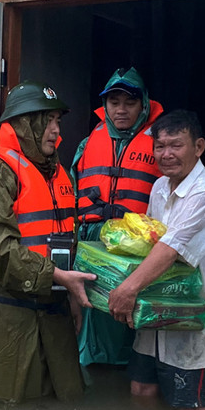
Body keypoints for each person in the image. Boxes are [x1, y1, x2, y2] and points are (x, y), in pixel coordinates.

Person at [0, 81, 96, 403]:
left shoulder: (55, 172)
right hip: (4, 318)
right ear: (23, 124)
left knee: (59, 406)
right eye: (48, 121)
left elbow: (64, 238)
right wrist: (60, 279)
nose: (56, 130)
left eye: (58, 121)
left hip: (53, 309)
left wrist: (70, 296)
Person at [107, 110, 205, 410]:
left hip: (196, 313)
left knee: (191, 406)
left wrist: (126, 289)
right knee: (141, 388)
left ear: (199, 147)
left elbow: (170, 248)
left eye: (176, 145)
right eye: (160, 147)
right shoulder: (160, 188)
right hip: (158, 306)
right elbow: (149, 240)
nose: (166, 155)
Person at [72, 67, 164, 367]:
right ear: (105, 106)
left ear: (144, 105)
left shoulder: (161, 146)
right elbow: (69, 192)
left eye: (130, 102)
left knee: (123, 317)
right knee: (86, 314)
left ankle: (118, 380)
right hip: (89, 241)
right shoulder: (89, 143)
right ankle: (90, 380)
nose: (121, 109)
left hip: (134, 247)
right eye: (114, 102)